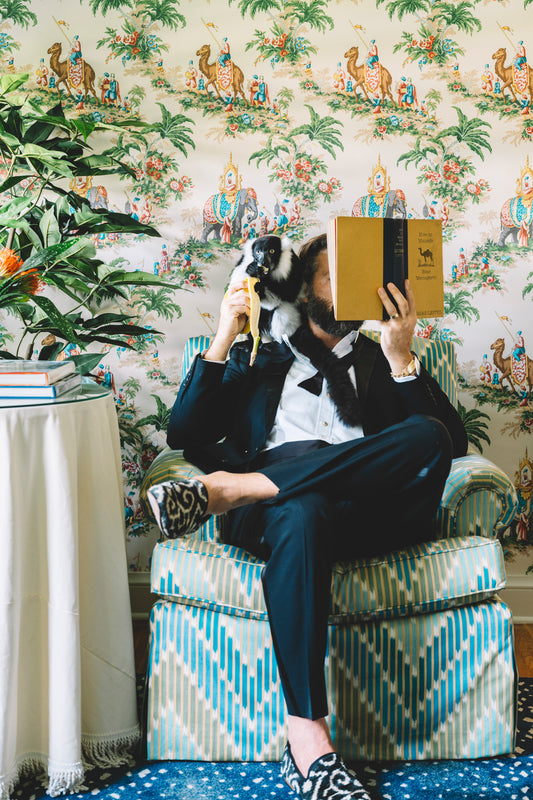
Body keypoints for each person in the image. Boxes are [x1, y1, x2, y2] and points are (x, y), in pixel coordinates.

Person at [148, 233, 467, 800]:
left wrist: (401, 357)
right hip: (279, 523)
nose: (351, 291)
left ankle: (238, 487)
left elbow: (450, 447)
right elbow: (185, 436)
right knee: (302, 501)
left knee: (427, 434)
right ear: (304, 288)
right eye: (333, 277)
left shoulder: (383, 357)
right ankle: (309, 737)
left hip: (365, 516)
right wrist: (226, 335)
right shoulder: (261, 355)